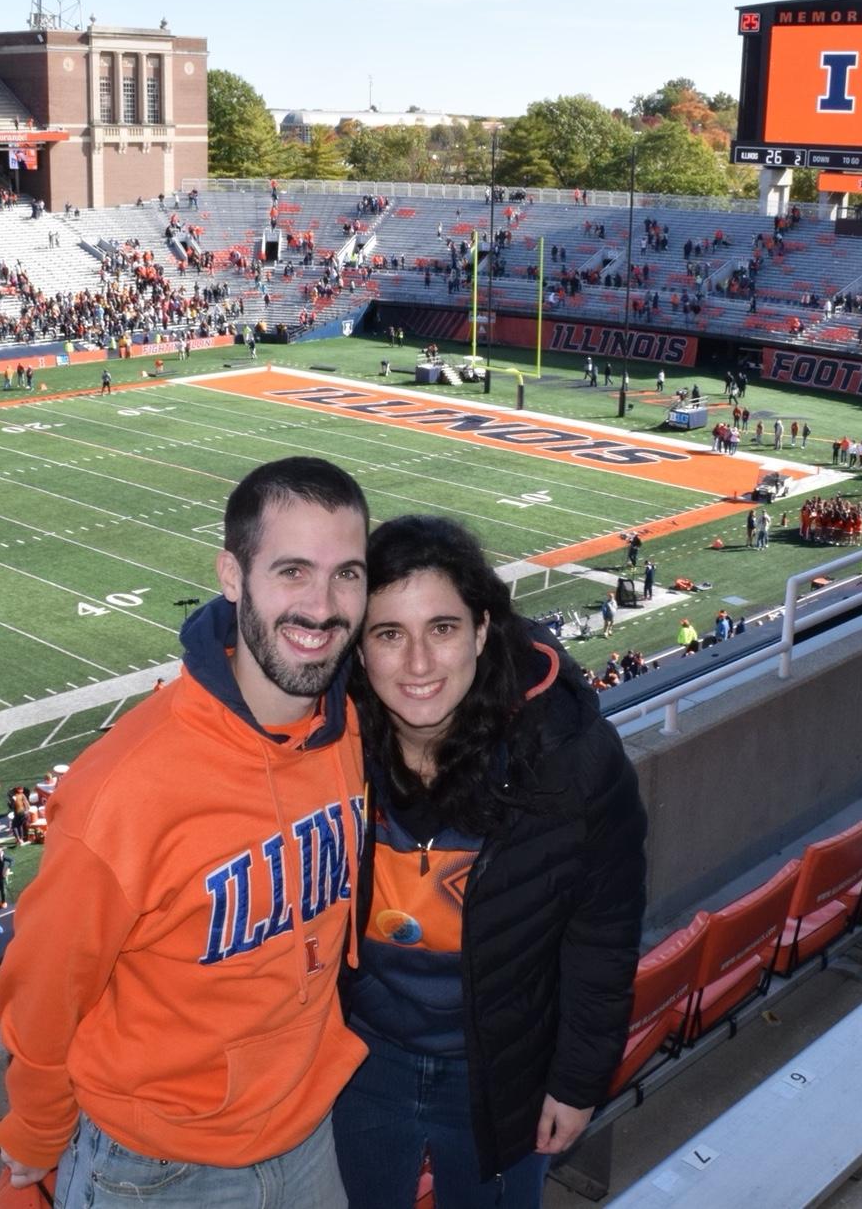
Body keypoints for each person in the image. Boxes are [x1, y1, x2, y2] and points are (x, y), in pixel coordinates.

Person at [0, 457, 371, 1206]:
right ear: (232, 576)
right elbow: (43, 996)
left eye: (347, 574)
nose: (323, 606)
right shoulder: (124, 787)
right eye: (292, 571)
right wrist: (33, 1143)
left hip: (309, 1134)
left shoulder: (351, 726)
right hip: (157, 1173)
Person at [333, 515, 646, 1209]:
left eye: (441, 628)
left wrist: (576, 1080)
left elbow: (604, 933)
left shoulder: (569, 756)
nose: (418, 664)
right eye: (389, 634)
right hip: (360, 1062)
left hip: (503, 1067)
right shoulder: (328, 750)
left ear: (480, 631)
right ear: (357, 650)